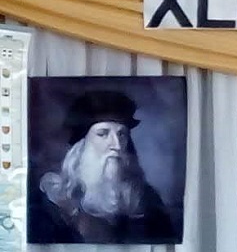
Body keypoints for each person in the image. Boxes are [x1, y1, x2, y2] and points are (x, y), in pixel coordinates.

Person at [29, 90, 177, 244]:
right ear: (81, 146)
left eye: (121, 134)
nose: (117, 145)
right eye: (103, 134)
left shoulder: (147, 199)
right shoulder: (53, 207)